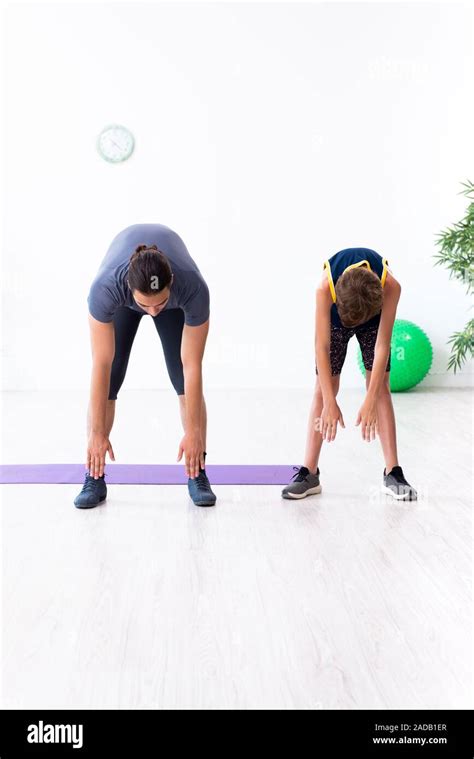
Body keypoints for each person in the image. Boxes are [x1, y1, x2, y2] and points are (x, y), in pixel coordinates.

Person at [74, 223, 216, 508]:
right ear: (129, 286)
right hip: (123, 305)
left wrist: (194, 435)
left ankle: (197, 470)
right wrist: (98, 435)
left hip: (176, 305)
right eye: (146, 305)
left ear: (171, 281)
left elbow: (192, 366)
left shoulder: (192, 287)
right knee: (111, 380)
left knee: (182, 382)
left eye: (158, 304)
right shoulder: (106, 288)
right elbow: (101, 364)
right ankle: (94, 472)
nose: (152, 312)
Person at [282, 247, 417, 501]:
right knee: (323, 391)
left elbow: (382, 346)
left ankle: (393, 473)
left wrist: (370, 399)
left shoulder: (391, 287)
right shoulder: (325, 289)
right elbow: (320, 347)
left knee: (381, 389)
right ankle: (309, 473)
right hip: (335, 321)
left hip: (372, 320)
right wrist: (331, 402)